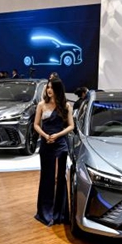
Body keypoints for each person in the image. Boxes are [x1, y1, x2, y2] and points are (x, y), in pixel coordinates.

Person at [33, 77, 74, 226]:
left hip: (61, 143)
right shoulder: (41, 105)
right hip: (46, 143)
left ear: (58, 89)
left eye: (52, 87)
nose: (49, 90)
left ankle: (60, 214)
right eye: (48, 87)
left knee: (60, 178)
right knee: (46, 177)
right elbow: (36, 125)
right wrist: (45, 136)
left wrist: (57, 135)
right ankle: (45, 212)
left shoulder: (66, 106)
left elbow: (71, 126)